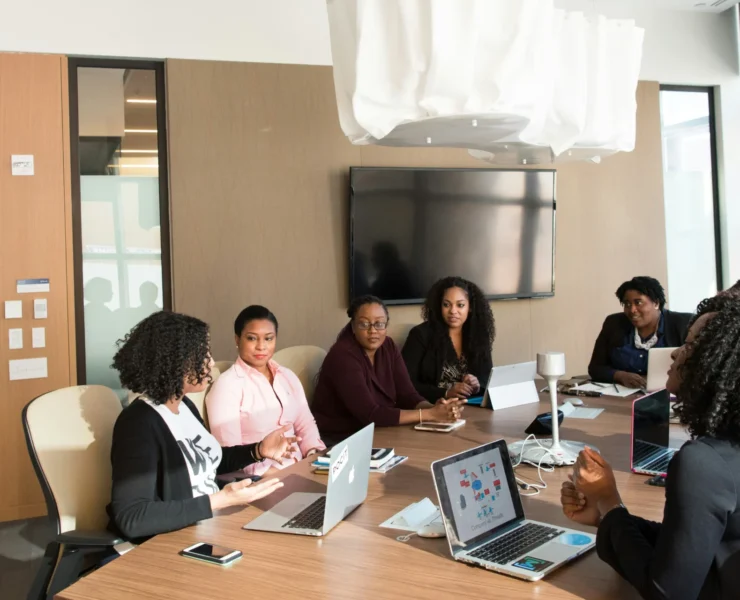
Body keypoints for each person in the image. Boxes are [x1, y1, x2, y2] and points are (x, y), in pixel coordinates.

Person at [561, 299, 740, 599]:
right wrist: (605, 516)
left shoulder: (703, 463)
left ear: (717, 362)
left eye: (689, 345)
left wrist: (611, 501)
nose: (675, 352)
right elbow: (688, 547)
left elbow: (667, 594)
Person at [108, 311, 296, 543]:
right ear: (174, 361)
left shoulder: (184, 405)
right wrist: (220, 500)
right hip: (176, 539)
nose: (210, 362)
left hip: (212, 524)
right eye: (202, 355)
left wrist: (258, 450)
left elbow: (206, 463)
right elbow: (132, 517)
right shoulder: (138, 423)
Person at [311, 295, 466, 443]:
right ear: (353, 327)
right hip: (340, 439)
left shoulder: (388, 346)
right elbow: (370, 415)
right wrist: (430, 415)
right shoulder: (342, 356)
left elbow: (407, 394)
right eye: (364, 324)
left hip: (378, 431)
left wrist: (436, 408)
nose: (373, 331)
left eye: (379, 324)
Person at [206, 305, 325, 477]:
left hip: (304, 469)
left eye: (268, 339)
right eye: (252, 339)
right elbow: (229, 455)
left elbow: (305, 424)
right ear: (237, 339)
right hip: (263, 479)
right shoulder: (227, 387)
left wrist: (315, 455)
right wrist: (279, 476)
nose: (261, 346)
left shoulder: (287, 376)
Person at [588, 276, 691, 389]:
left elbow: (697, 369)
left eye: (638, 303)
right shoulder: (613, 324)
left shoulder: (683, 324)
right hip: (623, 395)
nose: (632, 310)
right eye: (627, 304)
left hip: (669, 395)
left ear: (656, 303)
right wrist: (620, 375)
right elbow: (595, 368)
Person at [402, 276, 495, 401]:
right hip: (433, 407)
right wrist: (445, 392)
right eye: (446, 305)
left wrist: (477, 385)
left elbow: (487, 378)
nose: (453, 311)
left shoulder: (478, 335)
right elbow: (405, 383)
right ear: (439, 306)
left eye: (460, 305)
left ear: (470, 307)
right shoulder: (420, 335)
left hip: (471, 406)